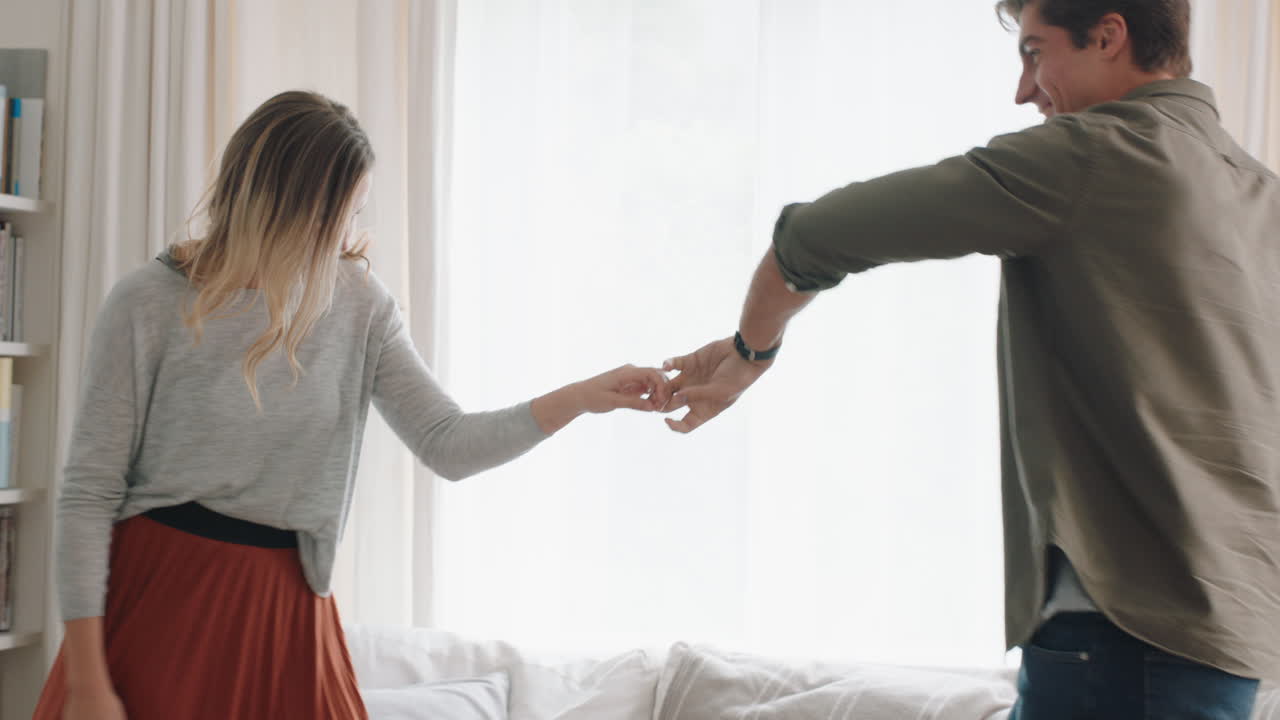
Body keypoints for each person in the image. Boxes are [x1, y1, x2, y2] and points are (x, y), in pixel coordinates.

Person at [660, 1, 1279, 717]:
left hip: (1121, 636)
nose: (1024, 90)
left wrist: (748, 353)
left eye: (1035, 52)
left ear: (1109, 36)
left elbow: (816, 235)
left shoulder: (1091, 156)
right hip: (1227, 635)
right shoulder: (1256, 190)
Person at [35, 90, 671, 720]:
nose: (350, 232)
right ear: (290, 205)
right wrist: (89, 680)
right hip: (156, 607)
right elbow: (89, 492)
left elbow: (447, 444)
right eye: (343, 211)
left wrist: (582, 398)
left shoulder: (360, 304)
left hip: (288, 609)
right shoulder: (147, 302)